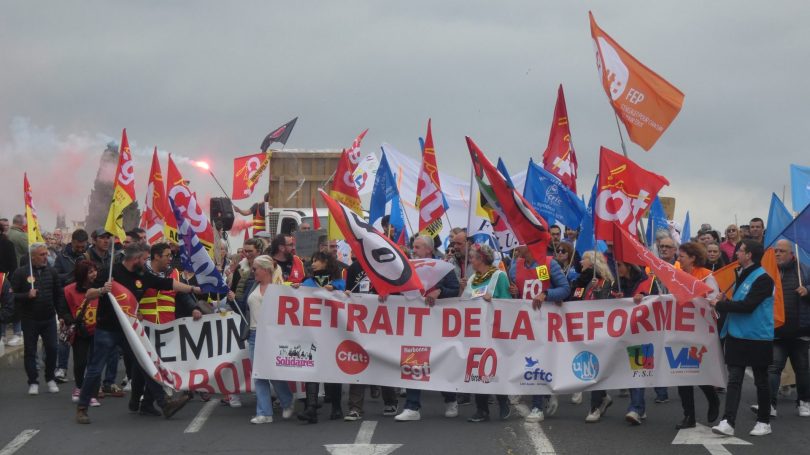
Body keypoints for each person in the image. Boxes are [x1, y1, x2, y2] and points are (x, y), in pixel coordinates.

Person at [75, 243, 198, 424]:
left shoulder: (142, 275)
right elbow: (89, 294)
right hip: (107, 329)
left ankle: (164, 404)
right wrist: (102, 290)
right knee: (95, 368)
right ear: (135, 259)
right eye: (143, 258)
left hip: (129, 330)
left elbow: (168, 283)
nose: (145, 261)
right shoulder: (111, 272)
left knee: (145, 363)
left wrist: (195, 290)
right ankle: (82, 408)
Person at [710, 240, 775, 437]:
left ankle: (764, 421)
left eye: (741, 250)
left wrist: (721, 305)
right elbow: (739, 303)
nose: (737, 253)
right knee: (734, 379)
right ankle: (728, 421)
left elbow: (748, 306)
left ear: (750, 255)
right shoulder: (739, 273)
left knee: (761, 380)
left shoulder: (764, 279)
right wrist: (725, 301)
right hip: (737, 334)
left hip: (758, 336)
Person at [395, 235, 460, 422]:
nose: (413, 250)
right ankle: (412, 406)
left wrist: (440, 292)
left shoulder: (444, 268)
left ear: (428, 250)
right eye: (413, 246)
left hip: (438, 324)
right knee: (413, 359)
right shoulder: (406, 268)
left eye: (417, 247)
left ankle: (450, 400)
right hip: (414, 323)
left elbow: (455, 290)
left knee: (440, 361)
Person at [507, 245, 569, 423]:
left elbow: (564, 289)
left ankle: (537, 406)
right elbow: (519, 291)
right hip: (524, 322)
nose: (515, 247)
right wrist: (515, 292)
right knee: (527, 361)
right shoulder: (515, 266)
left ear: (528, 246)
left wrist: (546, 294)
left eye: (519, 243)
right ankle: (545, 395)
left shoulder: (543, 265)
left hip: (544, 321)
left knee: (538, 362)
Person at [753, 239, 810, 418]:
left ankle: (804, 402)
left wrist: (808, 289)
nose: (777, 254)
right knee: (773, 369)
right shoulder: (769, 270)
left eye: (782, 251)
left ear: (791, 253)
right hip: (776, 331)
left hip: (800, 331)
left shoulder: (804, 269)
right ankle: (770, 404)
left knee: (802, 370)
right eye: (776, 251)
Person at [293, 252, 346, 423]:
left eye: (317, 261)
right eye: (312, 260)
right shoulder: (307, 282)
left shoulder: (338, 282)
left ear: (327, 262)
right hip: (312, 332)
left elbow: (348, 296)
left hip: (333, 333)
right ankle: (311, 408)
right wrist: (293, 290)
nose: (313, 263)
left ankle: (337, 408)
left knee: (331, 370)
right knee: (312, 368)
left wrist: (336, 289)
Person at [674, 242, 721, 429]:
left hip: (700, 331)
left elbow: (712, 299)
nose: (678, 258)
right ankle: (689, 416)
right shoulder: (676, 275)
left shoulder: (706, 276)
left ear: (692, 258)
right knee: (680, 373)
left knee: (697, 371)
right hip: (679, 330)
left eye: (682, 256)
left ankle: (712, 398)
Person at [241, 255, 293, 424]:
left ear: (265, 270)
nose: (253, 272)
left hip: (273, 334)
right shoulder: (252, 285)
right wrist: (233, 296)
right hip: (255, 333)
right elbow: (244, 305)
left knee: (273, 372)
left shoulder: (280, 286)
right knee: (258, 374)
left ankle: (287, 401)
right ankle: (264, 413)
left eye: (255, 269)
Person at [10, 242, 68, 395]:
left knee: (52, 349)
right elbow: (11, 296)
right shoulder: (21, 273)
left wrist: (61, 315)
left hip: (48, 318)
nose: (45, 257)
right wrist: (26, 295)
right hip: (29, 319)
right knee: (30, 351)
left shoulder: (52, 272)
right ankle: (33, 381)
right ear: (32, 257)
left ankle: (50, 378)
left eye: (46, 254)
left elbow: (58, 295)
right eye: (42, 254)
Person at [463, 244, 512, 423]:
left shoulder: (499, 276)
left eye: (473, 258)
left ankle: (503, 401)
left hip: (494, 330)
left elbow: (509, 302)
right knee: (477, 366)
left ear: (481, 259)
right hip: (476, 331)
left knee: (497, 365)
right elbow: (464, 303)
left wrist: (495, 300)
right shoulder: (472, 279)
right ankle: (481, 409)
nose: (471, 261)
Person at [570, 251, 616, 422]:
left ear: (593, 262)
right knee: (589, 365)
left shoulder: (607, 282)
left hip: (600, 331)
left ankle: (595, 406)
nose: (581, 261)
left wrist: (596, 290)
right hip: (584, 330)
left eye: (585, 259)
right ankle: (603, 397)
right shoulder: (584, 280)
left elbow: (606, 304)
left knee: (595, 366)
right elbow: (575, 299)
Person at [63, 260, 106, 407]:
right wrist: (72, 321)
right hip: (80, 331)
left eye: (95, 270)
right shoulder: (69, 290)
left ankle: (92, 394)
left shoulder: (101, 288)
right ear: (82, 274)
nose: (94, 274)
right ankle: (80, 387)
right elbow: (64, 310)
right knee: (80, 363)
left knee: (95, 364)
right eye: (90, 271)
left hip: (98, 330)